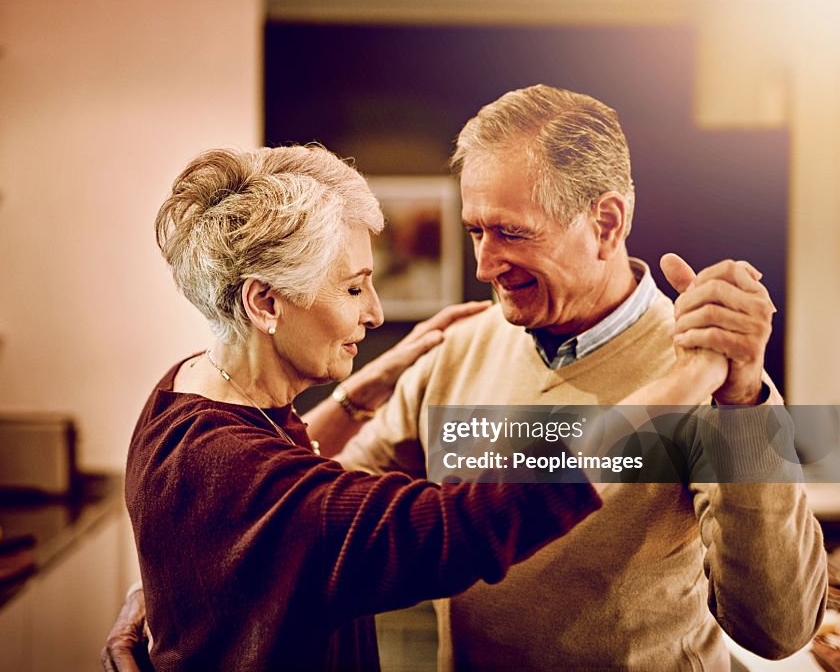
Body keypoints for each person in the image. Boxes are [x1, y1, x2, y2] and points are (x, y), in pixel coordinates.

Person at [113, 143, 730, 672]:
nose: (375, 313)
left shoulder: (184, 392)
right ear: (265, 303)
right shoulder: (239, 472)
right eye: (353, 288)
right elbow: (458, 525)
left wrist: (362, 390)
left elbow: (281, 478)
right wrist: (690, 379)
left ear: (607, 224)